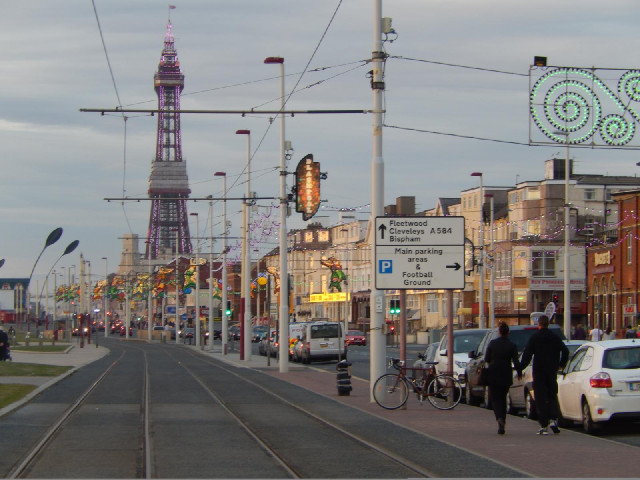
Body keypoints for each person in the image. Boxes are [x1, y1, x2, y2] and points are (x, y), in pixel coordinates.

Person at [520, 315, 569, 435]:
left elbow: (527, 355)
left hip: (539, 371)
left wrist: (520, 368)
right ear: (548, 324)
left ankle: (544, 425)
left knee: (540, 398)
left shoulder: (535, 338)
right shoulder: (555, 337)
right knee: (552, 395)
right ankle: (553, 419)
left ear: (539, 324)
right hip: (552, 371)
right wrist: (561, 364)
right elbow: (565, 351)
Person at [484, 322, 522, 435]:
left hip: (494, 372)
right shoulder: (512, 345)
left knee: (495, 399)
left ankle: (499, 418)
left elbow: (486, 358)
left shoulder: (492, 343)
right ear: (508, 332)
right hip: (506, 372)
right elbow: (516, 361)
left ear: (499, 332)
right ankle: (503, 420)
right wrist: (519, 372)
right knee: (503, 397)